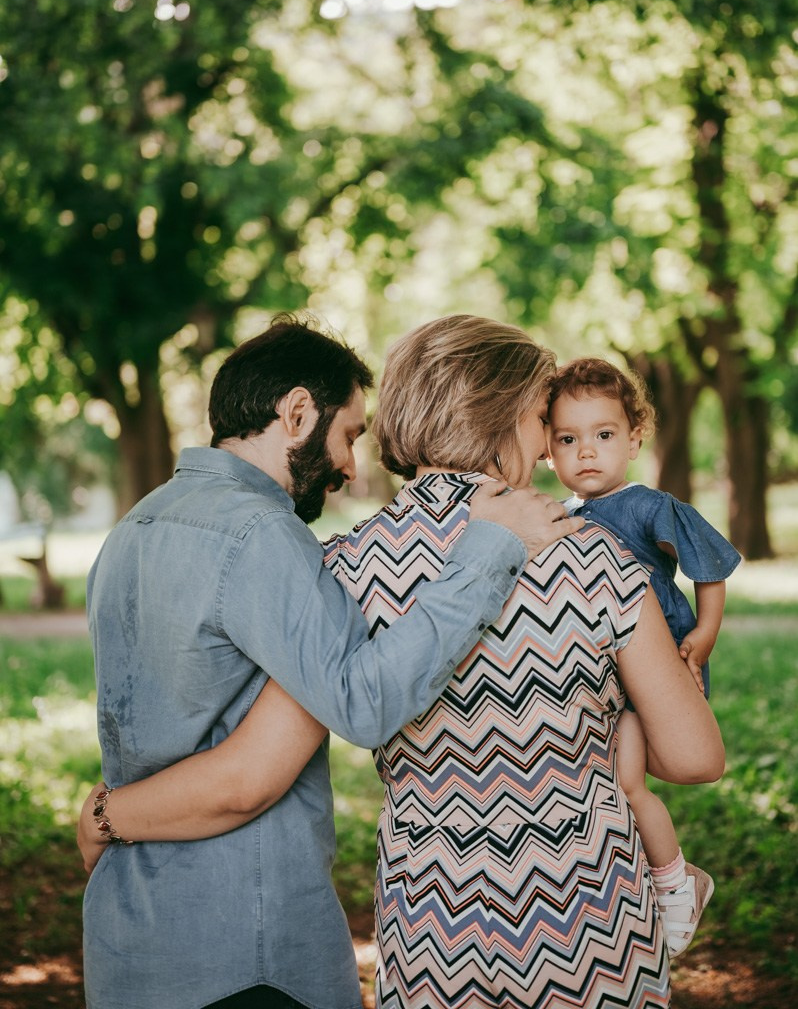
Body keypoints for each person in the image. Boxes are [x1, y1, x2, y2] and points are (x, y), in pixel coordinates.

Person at [80, 317, 725, 1009]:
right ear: (503, 417)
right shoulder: (596, 556)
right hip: (592, 923)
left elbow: (262, 761)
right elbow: (693, 758)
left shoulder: (341, 568)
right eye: (543, 420)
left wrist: (109, 813)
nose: (546, 448)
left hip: (434, 930)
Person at [545, 356, 740, 959]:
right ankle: (674, 880)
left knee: (645, 772)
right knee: (625, 785)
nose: (586, 453)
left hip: (657, 662)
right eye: (568, 440)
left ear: (633, 437)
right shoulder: (556, 517)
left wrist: (706, 631)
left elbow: (708, 563)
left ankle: (672, 886)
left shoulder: (648, 506)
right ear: (547, 451)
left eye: (603, 435)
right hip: (604, 674)